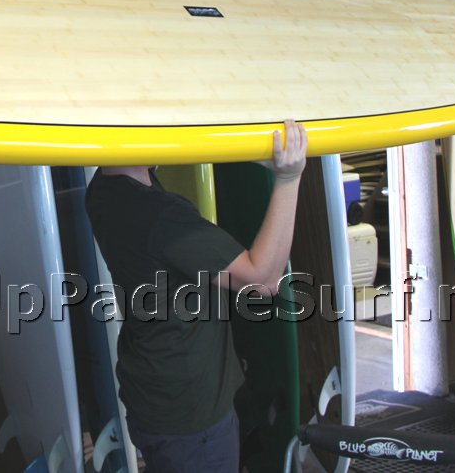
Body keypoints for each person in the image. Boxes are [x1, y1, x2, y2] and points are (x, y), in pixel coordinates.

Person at [85, 119, 308, 473]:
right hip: (190, 416)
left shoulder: (103, 188)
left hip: (152, 395)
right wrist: (289, 178)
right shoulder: (159, 215)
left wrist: (248, 150)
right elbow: (263, 280)